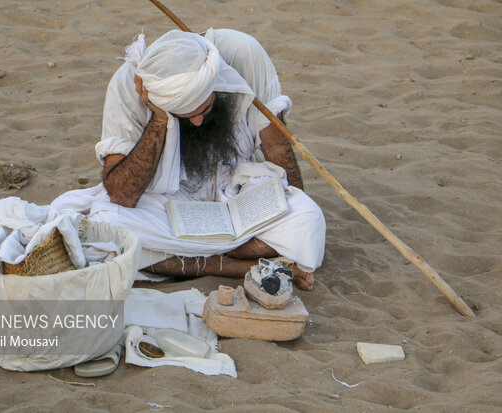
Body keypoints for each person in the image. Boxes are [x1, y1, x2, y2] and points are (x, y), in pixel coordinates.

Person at [52, 29, 326, 290]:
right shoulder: (127, 86)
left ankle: (189, 259)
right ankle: (240, 266)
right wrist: (160, 120)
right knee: (107, 226)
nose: (196, 121)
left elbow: (277, 145)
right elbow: (122, 196)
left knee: (307, 221)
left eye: (204, 108)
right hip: (166, 202)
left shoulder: (243, 52)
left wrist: (295, 201)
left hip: (237, 192)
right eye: (184, 115)